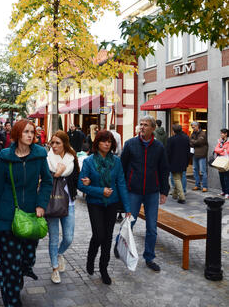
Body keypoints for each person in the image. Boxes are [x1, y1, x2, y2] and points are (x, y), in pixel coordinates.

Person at [0, 119, 53, 307]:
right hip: (6, 216)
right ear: (17, 134)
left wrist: (41, 204)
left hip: (31, 215)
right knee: (10, 261)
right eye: (26, 132)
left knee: (27, 257)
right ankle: (14, 302)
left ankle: (23, 270)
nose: (30, 135)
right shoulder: (5, 157)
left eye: (32, 132)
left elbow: (48, 182)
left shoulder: (40, 155)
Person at [78, 130, 131, 285]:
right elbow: (81, 184)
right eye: (103, 141)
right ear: (97, 143)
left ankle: (103, 269)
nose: (107, 144)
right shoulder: (89, 161)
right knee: (99, 235)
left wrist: (127, 208)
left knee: (107, 237)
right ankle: (91, 257)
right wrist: (100, 191)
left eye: (109, 141)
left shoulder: (116, 161)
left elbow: (121, 183)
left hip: (112, 204)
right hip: (95, 203)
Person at [120, 115, 170, 272]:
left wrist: (164, 191)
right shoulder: (130, 144)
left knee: (152, 228)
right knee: (129, 223)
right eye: (140, 124)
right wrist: (123, 189)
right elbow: (122, 167)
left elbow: (163, 170)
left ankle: (149, 257)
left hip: (152, 192)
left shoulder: (159, 147)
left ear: (153, 128)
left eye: (146, 125)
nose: (142, 127)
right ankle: (119, 245)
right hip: (133, 191)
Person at [47, 130, 80, 284]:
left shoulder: (71, 158)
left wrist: (85, 183)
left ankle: (59, 254)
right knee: (53, 238)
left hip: (69, 203)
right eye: (52, 142)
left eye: (57, 143)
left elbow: (77, 179)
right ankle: (54, 268)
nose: (54, 146)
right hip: (52, 202)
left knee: (68, 237)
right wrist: (55, 174)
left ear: (64, 144)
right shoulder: (47, 159)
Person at [166, 124, 190, 204]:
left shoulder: (171, 139)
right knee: (179, 177)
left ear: (173, 131)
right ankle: (175, 195)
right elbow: (188, 151)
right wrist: (187, 161)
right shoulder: (186, 138)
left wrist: (167, 162)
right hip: (183, 161)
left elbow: (168, 153)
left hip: (174, 162)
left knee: (176, 179)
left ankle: (182, 197)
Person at [190, 121, 208, 192]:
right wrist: (193, 141)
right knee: (195, 170)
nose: (193, 128)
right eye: (192, 127)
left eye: (193, 127)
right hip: (195, 154)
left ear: (197, 126)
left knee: (203, 171)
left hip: (202, 154)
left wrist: (193, 141)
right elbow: (190, 141)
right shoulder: (193, 133)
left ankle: (205, 186)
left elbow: (199, 142)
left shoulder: (203, 133)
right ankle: (197, 185)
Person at [214, 128, 229, 199]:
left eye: (222, 133)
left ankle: (227, 193)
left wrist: (221, 150)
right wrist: (222, 149)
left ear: (226, 134)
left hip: (226, 161)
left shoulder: (228, 141)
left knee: (226, 177)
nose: (221, 134)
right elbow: (216, 149)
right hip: (220, 160)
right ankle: (223, 191)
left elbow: (228, 151)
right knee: (221, 177)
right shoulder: (220, 141)